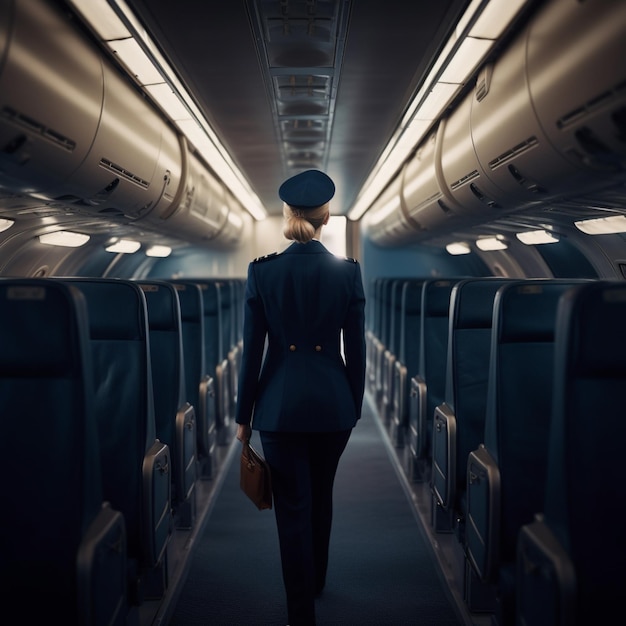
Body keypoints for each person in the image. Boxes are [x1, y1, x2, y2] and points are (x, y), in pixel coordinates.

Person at [235, 169, 366, 626]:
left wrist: (242, 416)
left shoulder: (263, 271)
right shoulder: (347, 274)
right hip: (333, 406)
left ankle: (300, 611)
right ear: (327, 215)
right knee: (321, 494)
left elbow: (252, 352)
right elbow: (357, 350)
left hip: (279, 407)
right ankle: (318, 579)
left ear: (288, 214)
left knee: (292, 506)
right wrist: (354, 406)